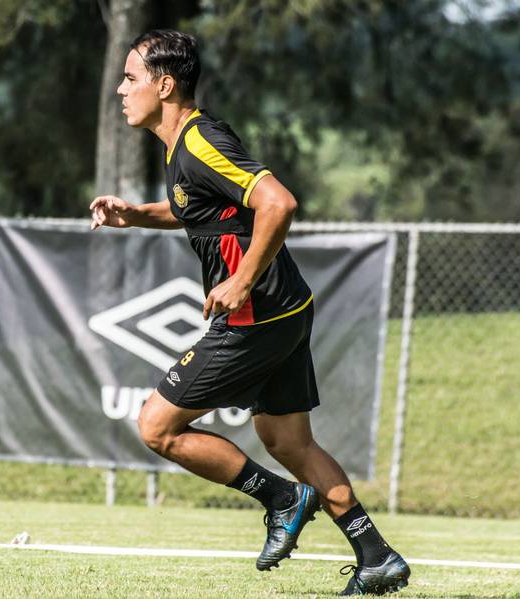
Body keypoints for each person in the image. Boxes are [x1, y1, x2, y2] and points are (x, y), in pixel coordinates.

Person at [90, 29, 410, 596]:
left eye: (131, 78)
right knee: (289, 443)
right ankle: (376, 556)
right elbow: (200, 204)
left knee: (157, 428)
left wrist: (241, 280)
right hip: (285, 307)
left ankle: (284, 498)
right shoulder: (182, 145)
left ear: (165, 86)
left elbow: (277, 202)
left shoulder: (199, 141)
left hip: (257, 316)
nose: (120, 89)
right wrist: (138, 214)